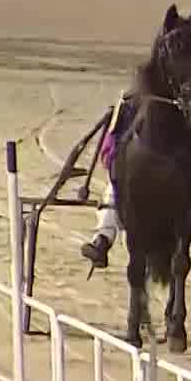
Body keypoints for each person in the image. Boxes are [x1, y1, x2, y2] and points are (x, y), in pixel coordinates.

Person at [79, 90, 136, 270]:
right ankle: (101, 241)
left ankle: (103, 239)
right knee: (114, 191)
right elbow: (109, 148)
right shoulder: (129, 104)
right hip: (127, 171)